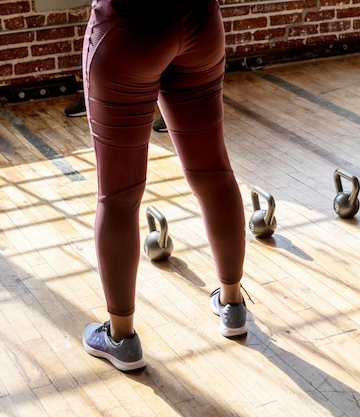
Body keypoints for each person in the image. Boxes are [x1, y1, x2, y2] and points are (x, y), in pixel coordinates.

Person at [81, 0, 247, 372]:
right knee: (214, 170)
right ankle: (232, 304)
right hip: (200, 20)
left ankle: (121, 338)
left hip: (128, 27)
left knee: (119, 194)